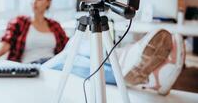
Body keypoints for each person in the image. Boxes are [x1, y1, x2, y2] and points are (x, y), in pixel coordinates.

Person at [44, 29, 185, 95]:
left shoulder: (53, 25)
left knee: (77, 44)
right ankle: (145, 74)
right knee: (69, 56)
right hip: (41, 64)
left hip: (60, 52)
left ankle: (141, 71)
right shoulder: (22, 22)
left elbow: (64, 42)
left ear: (48, 2)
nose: (33, 2)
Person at [0, 0, 69, 64]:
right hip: (31, 65)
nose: (34, 1)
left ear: (48, 2)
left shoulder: (55, 25)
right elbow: (6, 42)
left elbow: (67, 47)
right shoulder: (20, 22)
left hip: (52, 64)